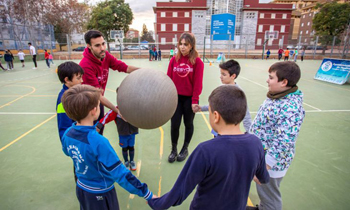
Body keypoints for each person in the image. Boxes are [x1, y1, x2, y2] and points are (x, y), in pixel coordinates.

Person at [148, 85, 270, 210]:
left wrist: (157, 202)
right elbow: (263, 178)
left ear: (216, 116)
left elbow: (180, 192)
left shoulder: (205, 151)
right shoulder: (256, 143)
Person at [61, 84, 154, 210]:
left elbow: (67, 152)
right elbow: (120, 174)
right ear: (94, 110)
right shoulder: (98, 142)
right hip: (101, 193)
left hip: (81, 188)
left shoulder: (67, 134)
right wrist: (146, 193)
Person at [250, 61, 305, 210]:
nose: (267, 80)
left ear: (284, 82)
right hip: (262, 156)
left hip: (272, 163)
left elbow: (284, 141)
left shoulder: (291, 107)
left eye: (271, 77)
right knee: (264, 192)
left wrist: (265, 167)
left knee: (269, 195)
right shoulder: (278, 96)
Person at [79, 30, 139, 134]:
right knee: (90, 136)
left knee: (99, 133)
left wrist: (144, 71)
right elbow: (97, 95)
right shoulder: (86, 65)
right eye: (97, 45)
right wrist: (117, 111)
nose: (102, 48)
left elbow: (124, 67)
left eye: (103, 44)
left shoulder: (105, 55)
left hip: (98, 103)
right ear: (89, 46)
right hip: (87, 106)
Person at [167, 32, 204, 163]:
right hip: (175, 99)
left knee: (188, 124)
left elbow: (198, 84)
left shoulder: (197, 62)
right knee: (174, 125)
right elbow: (168, 80)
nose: (182, 47)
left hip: (189, 99)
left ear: (191, 46)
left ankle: (185, 148)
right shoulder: (174, 60)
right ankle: (174, 149)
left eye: (185, 45)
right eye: (180, 44)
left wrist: (194, 101)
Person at [195, 59, 252, 134]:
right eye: (221, 74)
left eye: (224, 74)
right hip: (217, 131)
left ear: (233, 76)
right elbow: (216, 105)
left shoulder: (238, 93)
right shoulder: (221, 89)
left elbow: (246, 114)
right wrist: (202, 108)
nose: (220, 76)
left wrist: (249, 132)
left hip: (228, 132)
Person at [97, 104, 139, 171]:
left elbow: (143, 115)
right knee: (124, 148)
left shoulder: (135, 108)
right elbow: (107, 116)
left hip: (132, 133)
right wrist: (100, 124)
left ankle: (132, 161)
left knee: (131, 147)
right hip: (123, 134)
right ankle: (126, 162)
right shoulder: (116, 110)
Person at [56, 61, 84, 141]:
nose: (82, 81)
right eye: (78, 78)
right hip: (75, 141)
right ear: (67, 80)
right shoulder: (64, 100)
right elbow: (64, 125)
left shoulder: (75, 93)